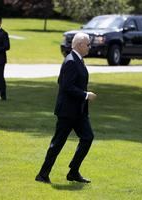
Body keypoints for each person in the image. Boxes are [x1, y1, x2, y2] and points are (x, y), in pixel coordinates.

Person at [35, 32, 97, 184]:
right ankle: (42, 175)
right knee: (57, 143)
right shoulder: (70, 61)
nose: (90, 47)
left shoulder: (78, 60)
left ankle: (73, 172)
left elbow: (61, 80)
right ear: (80, 45)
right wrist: (85, 95)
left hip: (79, 111)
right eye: (88, 44)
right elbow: (65, 86)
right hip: (68, 112)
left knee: (87, 137)